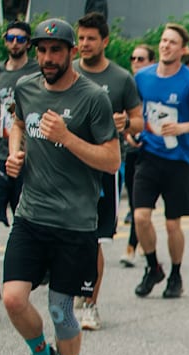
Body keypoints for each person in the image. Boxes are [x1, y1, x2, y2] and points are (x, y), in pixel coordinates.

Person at [2, 18, 120, 355]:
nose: (47, 58)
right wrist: (17, 153)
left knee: (59, 308)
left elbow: (112, 160)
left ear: (71, 52)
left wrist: (67, 137)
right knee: (13, 299)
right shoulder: (27, 86)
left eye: (56, 50)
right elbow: (19, 123)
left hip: (75, 221)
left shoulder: (92, 98)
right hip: (31, 215)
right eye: (42, 50)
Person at [132, 23, 189, 299]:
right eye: (163, 40)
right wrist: (130, 132)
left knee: (172, 224)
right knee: (140, 217)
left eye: (172, 42)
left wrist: (182, 128)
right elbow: (132, 112)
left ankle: (176, 274)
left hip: (178, 160)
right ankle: (152, 267)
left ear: (182, 50)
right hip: (148, 155)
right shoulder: (142, 77)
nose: (166, 45)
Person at [70, 12, 143, 331]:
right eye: (81, 38)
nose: (84, 44)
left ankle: (89, 304)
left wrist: (124, 123)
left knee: (94, 240)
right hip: (67, 166)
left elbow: (140, 121)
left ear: (105, 41)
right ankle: (68, 291)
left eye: (91, 38)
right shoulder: (68, 72)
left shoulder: (121, 78)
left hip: (104, 169)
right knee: (64, 236)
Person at [0, 20, 41, 301]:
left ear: (28, 43)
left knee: (28, 219)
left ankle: (34, 270)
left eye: (21, 38)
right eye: (10, 37)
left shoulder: (37, 72)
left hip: (29, 157)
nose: (15, 42)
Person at [119, 44, 155, 269]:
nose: (136, 62)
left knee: (141, 205)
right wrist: (127, 133)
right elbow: (120, 114)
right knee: (134, 201)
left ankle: (132, 247)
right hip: (130, 150)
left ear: (151, 62)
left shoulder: (154, 85)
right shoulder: (126, 85)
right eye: (133, 58)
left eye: (141, 59)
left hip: (152, 151)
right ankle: (142, 239)